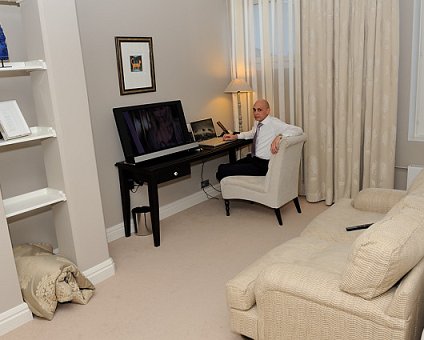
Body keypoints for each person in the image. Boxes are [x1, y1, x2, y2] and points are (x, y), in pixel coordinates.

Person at [216, 99, 303, 181]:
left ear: (268, 111)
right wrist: (236, 136)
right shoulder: (258, 122)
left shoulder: (274, 123)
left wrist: (280, 136)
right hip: (254, 159)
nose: (256, 113)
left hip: (264, 165)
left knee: (223, 170)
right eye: (254, 110)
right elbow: (253, 133)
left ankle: (239, 190)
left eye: (259, 110)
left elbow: (298, 130)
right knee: (222, 167)